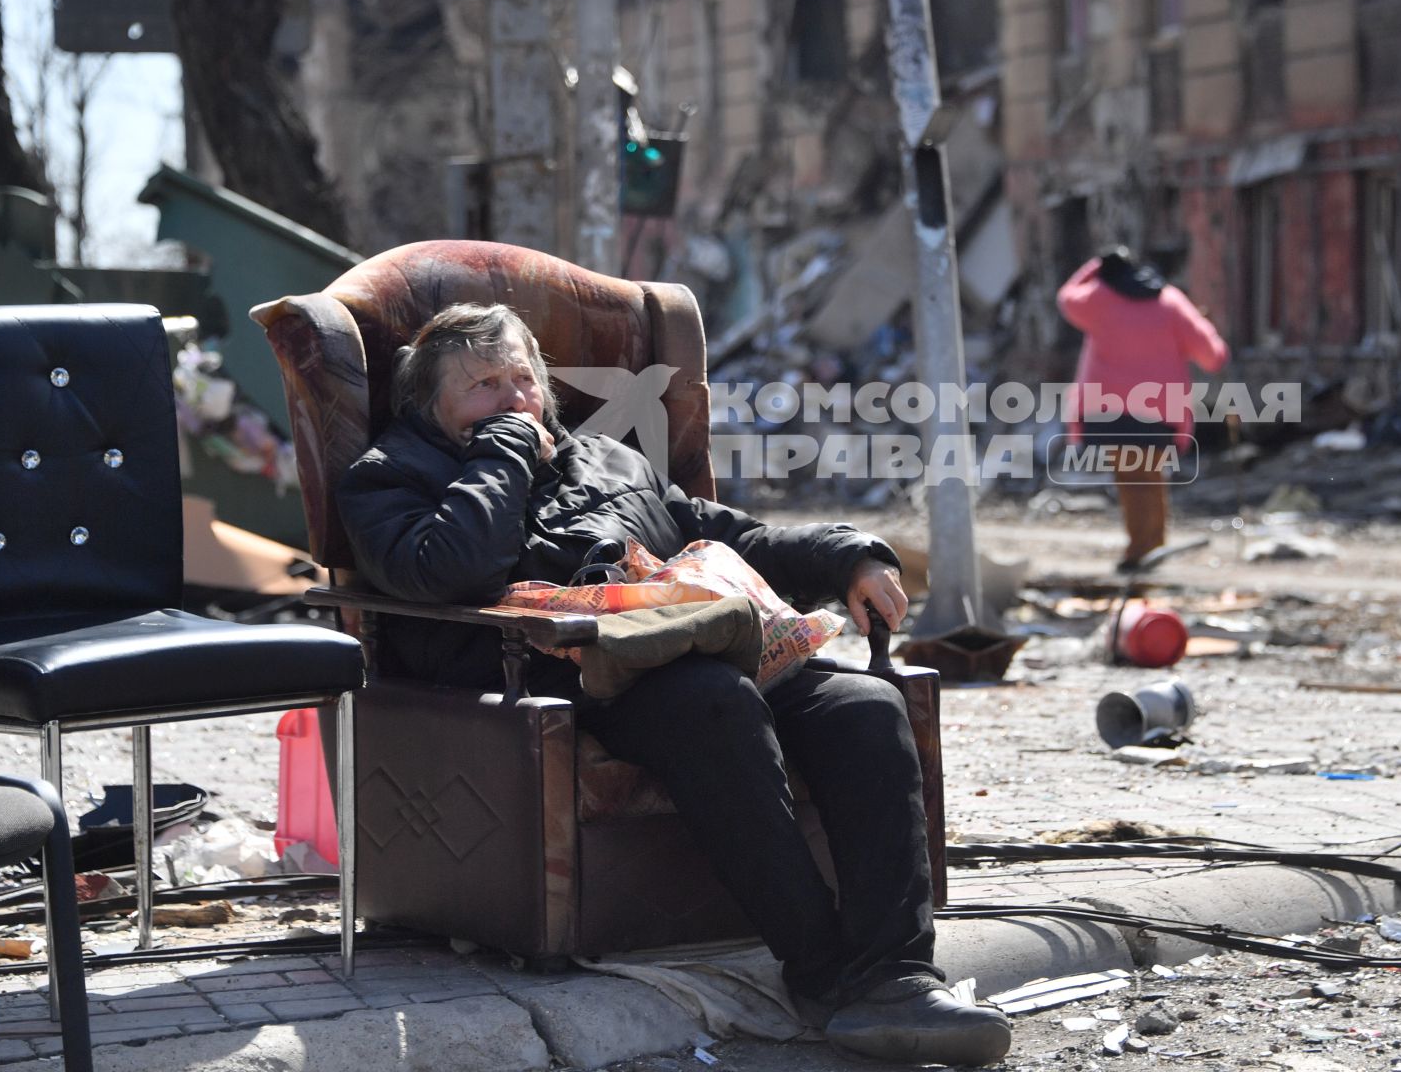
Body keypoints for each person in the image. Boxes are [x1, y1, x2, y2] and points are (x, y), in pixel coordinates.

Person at [335, 303, 1011, 1067]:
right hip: (553, 677)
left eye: (523, 378)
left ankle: (897, 976)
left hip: (694, 644)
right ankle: (822, 972)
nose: (515, 399)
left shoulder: (607, 460)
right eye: (484, 386)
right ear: (431, 407)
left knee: (862, 704)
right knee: (710, 703)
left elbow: (729, 537)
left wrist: (848, 554)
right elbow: (447, 568)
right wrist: (504, 456)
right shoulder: (388, 476)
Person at [1057, 247, 1230, 570]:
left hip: (1107, 409)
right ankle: (1148, 547)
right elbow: (1213, 355)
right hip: (1158, 411)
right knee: (1148, 476)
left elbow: (1067, 298)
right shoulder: (1170, 302)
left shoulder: (1099, 297)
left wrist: (1096, 267)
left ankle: (1142, 550)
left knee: (1132, 477)